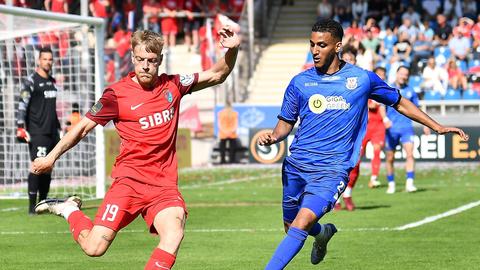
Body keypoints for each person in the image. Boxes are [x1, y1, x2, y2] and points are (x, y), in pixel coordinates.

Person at [257, 19, 468, 269]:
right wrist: (273, 136)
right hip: (297, 166)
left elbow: (399, 102)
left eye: (321, 45)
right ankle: (323, 233)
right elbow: (285, 124)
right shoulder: (299, 83)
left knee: (301, 223)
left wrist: (437, 126)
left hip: (333, 169)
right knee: (291, 226)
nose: (314, 50)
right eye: (312, 44)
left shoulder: (361, 80)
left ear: (337, 46)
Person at [32, 28, 240, 270]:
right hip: (128, 183)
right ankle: (69, 209)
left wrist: (232, 49)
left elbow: (218, 74)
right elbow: (82, 128)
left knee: (174, 233)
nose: (145, 66)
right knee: (94, 248)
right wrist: (51, 158)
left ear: (160, 60)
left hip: (163, 186)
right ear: (132, 57)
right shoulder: (116, 95)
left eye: (152, 61)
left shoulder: (174, 85)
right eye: (140, 60)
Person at [16, 47, 61, 215]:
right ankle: (31, 208)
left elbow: (52, 108)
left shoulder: (52, 81)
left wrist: (59, 128)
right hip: (37, 131)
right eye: (45, 59)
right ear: (39, 60)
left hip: (52, 132)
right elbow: (22, 105)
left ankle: (43, 203)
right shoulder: (31, 81)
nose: (48, 62)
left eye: (50, 59)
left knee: (48, 167)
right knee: (37, 166)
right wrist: (20, 126)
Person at [340, 67, 390, 211]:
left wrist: (385, 118)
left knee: (374, 151)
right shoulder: (357, 85)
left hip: (376, 126)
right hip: (359, 129)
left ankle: (351, 192)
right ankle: (336, 197)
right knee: (352, 162)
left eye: (383, 75)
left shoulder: (376, 87)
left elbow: (380, 106)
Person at [385, 66, 428, 194]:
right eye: (402, 74)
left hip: (406, 128)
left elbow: (417, 110)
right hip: (391, 129)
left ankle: (410, 183)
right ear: (397, 74)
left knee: (410, 154)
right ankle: (391, 183)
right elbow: (382, 107)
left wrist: (426, 125)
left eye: (406, 74)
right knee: (390, 158)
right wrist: (384, 119)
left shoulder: (410, 91)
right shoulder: (389, 89)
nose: (404, 76)